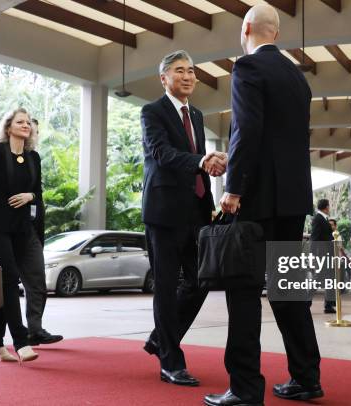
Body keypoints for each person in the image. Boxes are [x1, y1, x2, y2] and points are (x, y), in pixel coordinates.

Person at [207, 5, 322, 405]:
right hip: (293, 200)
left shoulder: (247, 69)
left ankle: (244, 389)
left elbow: (247, 130)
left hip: (257, 199)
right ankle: (306, 378)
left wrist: (233, 188)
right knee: (288, 292)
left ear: (247, 29)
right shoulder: (296, 75)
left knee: (242, 291)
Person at [141, 50, 226, 386]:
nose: (189, 76)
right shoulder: (152, 112)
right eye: (180, 71)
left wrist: (210, 175)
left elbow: (196, 160)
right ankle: (171, 362)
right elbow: (161, 153)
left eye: (192, 71)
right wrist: (201, 161)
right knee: (165, 287)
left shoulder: (198, 115)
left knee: (200, 281)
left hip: (196, 210)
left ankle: (160, 339)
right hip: (163, 212)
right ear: (164, 78)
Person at [0, 117, 62, 349]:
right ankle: (6, 338)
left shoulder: (33, 157)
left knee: (31, 281)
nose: (26, 125)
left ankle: (18, 334)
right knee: (5, 281)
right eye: (20, 122)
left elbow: (38, 192)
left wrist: (30, 196)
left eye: (28, 123)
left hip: (25, 228)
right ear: (8, 127)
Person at [311, 200, 337, 313]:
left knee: (328, 279)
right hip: (322, 254)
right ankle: (305, 301)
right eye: (329, 206)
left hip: (326, 254)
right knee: (320, 279)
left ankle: (329, 305)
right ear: (326, 207)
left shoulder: (323, 218)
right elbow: (315, 238)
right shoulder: (318, 219)